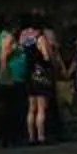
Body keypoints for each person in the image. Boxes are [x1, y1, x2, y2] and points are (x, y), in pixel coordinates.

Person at [24, 15, 62, 145]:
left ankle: (31, 136)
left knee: (31, 108)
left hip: (29, 74)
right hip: (40, 74)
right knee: (41, 108)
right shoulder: (40, 38)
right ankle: (41, 136)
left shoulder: (26, 39)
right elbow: (46, 56)